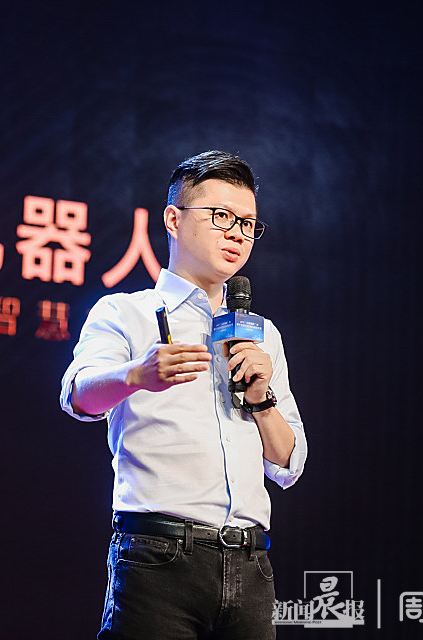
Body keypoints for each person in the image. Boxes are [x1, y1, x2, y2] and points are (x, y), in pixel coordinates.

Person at [60, 150, 307, 639]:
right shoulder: (125, 312)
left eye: (248, 224)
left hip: (251, 563)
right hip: (159, 556)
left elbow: (288, 462)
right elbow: (78, 396)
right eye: (222, 217)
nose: (237, 233)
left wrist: (262, 399)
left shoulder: (262, 335)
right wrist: (137, 374)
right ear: (173, 219)